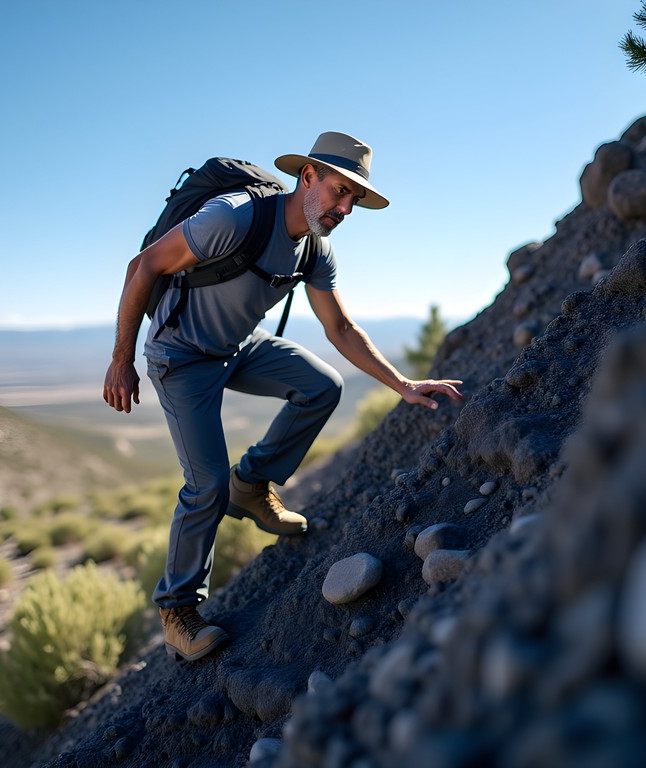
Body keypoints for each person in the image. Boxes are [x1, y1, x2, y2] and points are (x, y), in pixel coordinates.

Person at [103, 131, 464, 662]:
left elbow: (339, 327)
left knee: (322, 386)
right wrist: (121, 359)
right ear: (308, 175)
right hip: (181, 356)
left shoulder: (316, 246)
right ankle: (177, 611)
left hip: (237, 345)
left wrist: (403, 386)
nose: (344, 207)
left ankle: (251, 486)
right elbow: (143, 267)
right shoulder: (232, 218)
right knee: (204, 486)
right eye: (339, 191)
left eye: (354, 200)